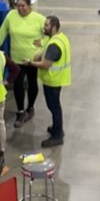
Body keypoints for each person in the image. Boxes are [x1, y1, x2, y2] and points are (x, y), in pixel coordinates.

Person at [4, 0, 46, 124]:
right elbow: (2, 33)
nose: (20, 8)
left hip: (32, 60)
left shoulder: (39, 19)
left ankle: (30, 107)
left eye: (23, 6)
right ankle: (21, 111)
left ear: (29, 6)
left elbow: (50, 35)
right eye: (18, 6)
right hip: (16, 58)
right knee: (18, 84)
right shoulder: (11, 15)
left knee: (32, 82)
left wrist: (42, 45)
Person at [34, 15, 72, 148]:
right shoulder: (60, 38)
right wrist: (41, 52)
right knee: (55, 106)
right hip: (58, 78)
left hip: (52, 80)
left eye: (46, 25)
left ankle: (57, 136)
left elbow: (45, 65)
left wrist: (30, 63)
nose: (44, 27)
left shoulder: (54, 44)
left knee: (54, 107)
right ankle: (57, 128)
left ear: (54, 27)